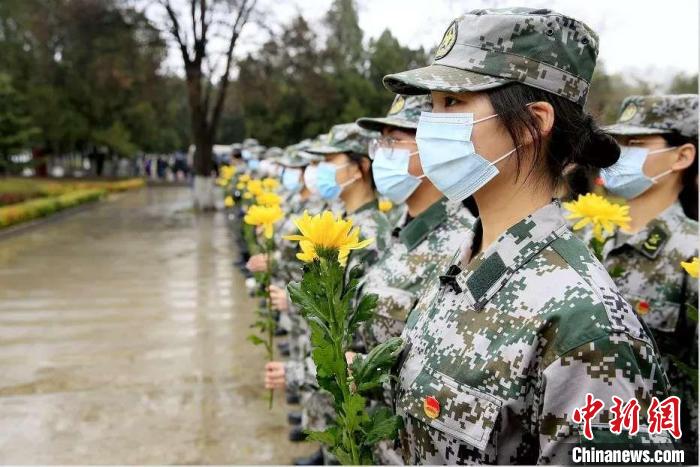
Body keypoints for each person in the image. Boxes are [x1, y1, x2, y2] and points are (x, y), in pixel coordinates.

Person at [381, 8, 674, 464]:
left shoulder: (587, 321)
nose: (429, 126)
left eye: (454, 103)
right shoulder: (461, 266)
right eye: (432, 105)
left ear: (536, 121)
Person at [353, 94, 475, 464]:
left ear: (436, 144)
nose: (382, 154)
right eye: (381, 142)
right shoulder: (395, 229)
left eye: (395, 141)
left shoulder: (462, 246)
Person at [263, 124, 393, 465]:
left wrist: (297, 372)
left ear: (360, 167)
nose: (319, 172)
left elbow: (354, 338)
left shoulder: (368, 236)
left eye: (330, 161)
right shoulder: (341, 220)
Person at [597, 94, 698, 461]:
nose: (620, 153)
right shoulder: (584, 238)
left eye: (636, 143)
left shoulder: (692, 253)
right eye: (617, 143)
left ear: (682, 156)